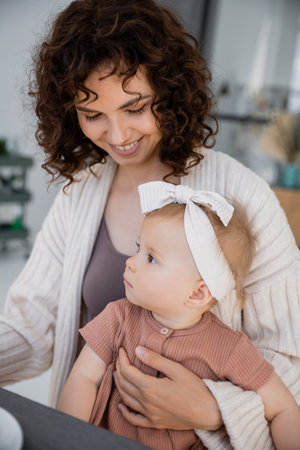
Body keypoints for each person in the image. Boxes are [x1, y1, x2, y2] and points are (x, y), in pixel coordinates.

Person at [0, 0, 299, 448]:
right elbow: (31, 325)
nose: (117, 136)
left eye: (135, 107)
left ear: (169, 90)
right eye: (92, 115)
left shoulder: (244, 197)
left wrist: (213, 408)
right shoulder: (81, 192)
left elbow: (289, 360)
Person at [58, 181, 300, 450]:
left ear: (197, 294)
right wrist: (70, 437)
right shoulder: (117, 317)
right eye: (139, 247)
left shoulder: (230, 348)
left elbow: (283, 409)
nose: (130, 260)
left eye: (151, 258)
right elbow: (83, 378)